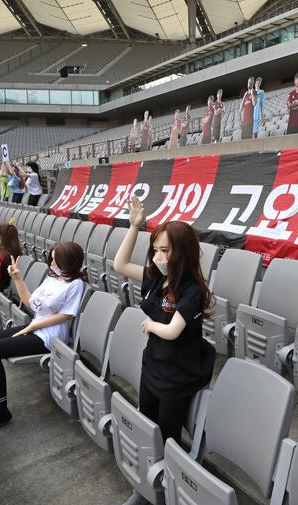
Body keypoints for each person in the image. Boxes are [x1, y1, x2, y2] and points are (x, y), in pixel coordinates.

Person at [115, 197, 215, 505]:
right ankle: (147, 489)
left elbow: (172, 331)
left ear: (182, 252)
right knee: (147, 425)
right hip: (153, 365)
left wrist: (151, 325)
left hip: (178, 373)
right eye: (155, 250)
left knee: (168, 435)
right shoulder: (156, 278)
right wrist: (134, 227)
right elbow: (119, 265)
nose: (158, 257)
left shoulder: (192, 290)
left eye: (165, 251)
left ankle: (169, 490)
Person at [0, 242, 86, 435]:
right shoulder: (52, 277)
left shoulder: (76, 284)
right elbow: (30, 303)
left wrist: (33, 326)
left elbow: (65, 316)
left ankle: (0, 412)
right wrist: (18, 278)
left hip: (50, 336)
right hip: (35, 326)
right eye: (52, 259)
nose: (52, 264)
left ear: (70, 262)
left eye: (57, 261)